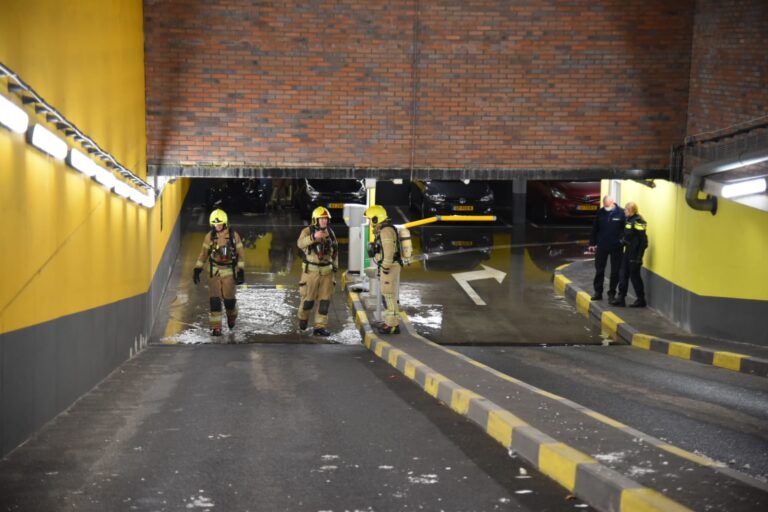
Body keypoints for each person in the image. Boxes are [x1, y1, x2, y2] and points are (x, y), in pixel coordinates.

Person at [193, 209, 246, 336]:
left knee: (229, 300)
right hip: (214, 271)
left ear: (225, 223)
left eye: (220, 224)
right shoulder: (209, 236)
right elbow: (203, 254)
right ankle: (216, 327)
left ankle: (232, 316)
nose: (218, 226)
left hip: (229, 270)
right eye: (215, 224)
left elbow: (241, 255)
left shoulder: (234, 236)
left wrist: (241, 271)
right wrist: (197, 269)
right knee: (215, 300)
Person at [297, 206, 339, 336]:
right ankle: (303, 318)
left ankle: (319, 327)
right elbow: (300, 244)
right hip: (311, 272)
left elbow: (335, 251)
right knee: (308, 300)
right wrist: (314, 237)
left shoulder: (330, 233)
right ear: (315, 220)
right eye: (321, 219)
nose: (324, 221)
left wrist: (335, 267)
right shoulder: (307, 231)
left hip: (327, 273)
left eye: (325, 219)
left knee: (324, 302)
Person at [364, 205, 402, 334]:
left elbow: (389, 252)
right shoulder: (385, 229)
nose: (369, 222)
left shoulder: (385, 231)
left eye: (370, 219)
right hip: (389, 266)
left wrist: (385, 267)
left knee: (388, 296)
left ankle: (391, 325)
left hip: (389, 267)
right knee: (389, 295)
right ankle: (391, 321)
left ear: (376, 219)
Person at [587, 195, 626, 301]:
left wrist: (621, 241)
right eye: (605, 206)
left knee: (615, 271)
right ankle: (598, 292)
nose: (606, 208)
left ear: (613, 202)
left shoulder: (621, 213)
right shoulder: (600, 212)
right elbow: (595, 228)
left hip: (616, 247)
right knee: (599, 269)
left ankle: (611, 293)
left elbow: (625, 230)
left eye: (607, 205)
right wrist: (592, 243)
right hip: (602, 246)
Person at [610, 202, 648, 308]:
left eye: (626, 209)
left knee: (635, 277)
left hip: (635, 253)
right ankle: (621, 298)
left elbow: (643, 241)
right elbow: (629, 235)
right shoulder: (629, 220)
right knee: (623, 274)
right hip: (628, 251)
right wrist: (624, 240)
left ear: (631, 210)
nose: (624, 211)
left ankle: (641, 300)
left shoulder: (638, 221)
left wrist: (639, 257)